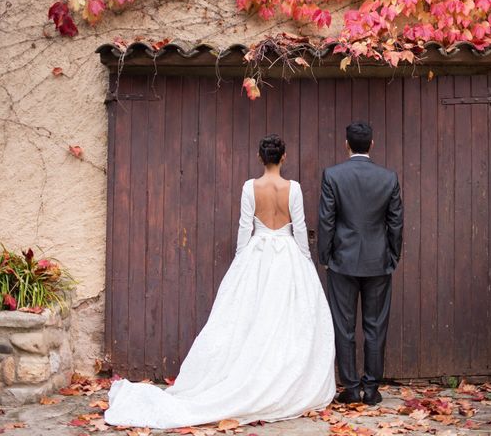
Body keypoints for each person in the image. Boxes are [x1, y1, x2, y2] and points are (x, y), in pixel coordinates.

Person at [104, 134, 336, 429]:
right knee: (287, 321)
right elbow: (299, 227)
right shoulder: (294, 189)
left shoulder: (250, 188)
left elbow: (245, 226)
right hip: (288, 254)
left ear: (259, 157)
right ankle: (282, 379)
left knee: (250, 320)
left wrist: (242, 260)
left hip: (257, 252)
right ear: (284, 157)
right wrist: (304, 258)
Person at [318, 121, 403, 406]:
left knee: (343, 326)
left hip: (342, 262)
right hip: (378, 262)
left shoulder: (333, 175)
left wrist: (325, 256)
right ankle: (373, 389)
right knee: (375, 326)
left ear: (347, 144)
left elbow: (327, 220)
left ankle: (351, 388)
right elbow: (396, 222)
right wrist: (392, 256)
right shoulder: (388, 178)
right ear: (372, 144)